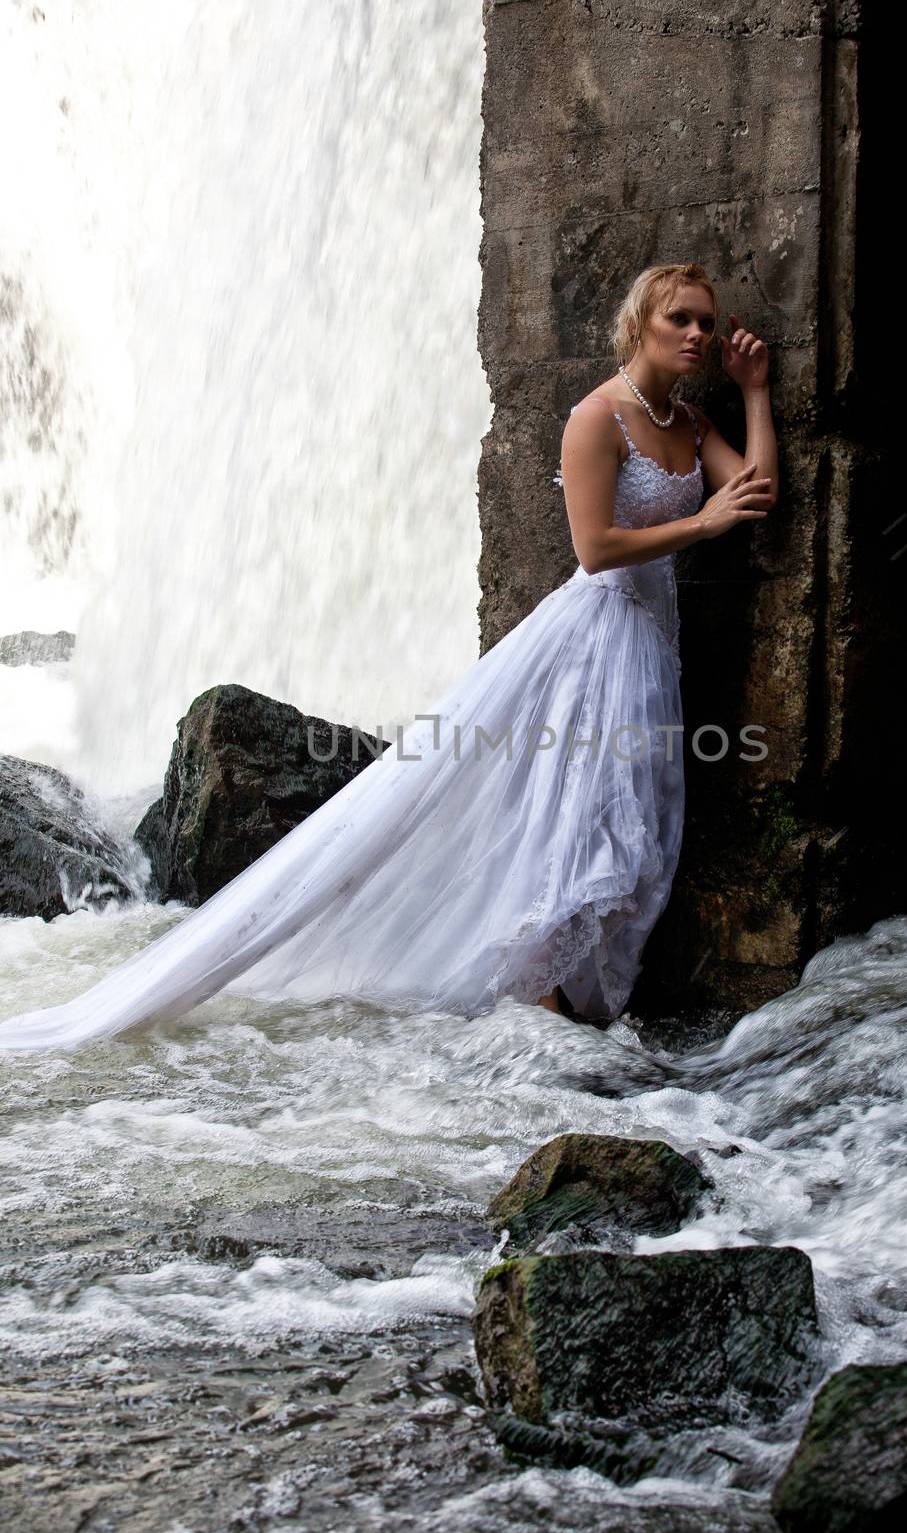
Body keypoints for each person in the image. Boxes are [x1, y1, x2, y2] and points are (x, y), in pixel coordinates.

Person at [0, 261, 777, 1053]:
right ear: (638, 322)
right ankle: (540, 1001)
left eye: (706, 324)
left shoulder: (684, 421)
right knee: (578, 810)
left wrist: (751, 390)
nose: (697, 335)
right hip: (589, 640)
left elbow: (756, 491)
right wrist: (701, 526)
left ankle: (565, 995)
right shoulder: (596, 417)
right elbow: (594, 547)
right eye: (679, 318)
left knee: (629, 815)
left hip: (648, 644)